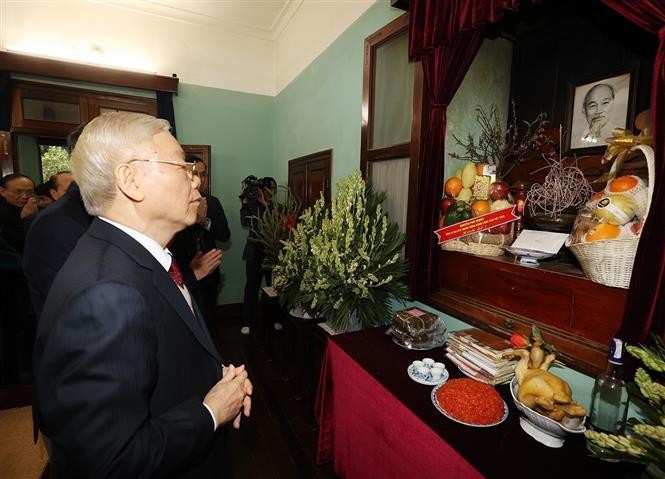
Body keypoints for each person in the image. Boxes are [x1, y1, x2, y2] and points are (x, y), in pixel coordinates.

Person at [34, 112, 252, 478]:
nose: (196, 180)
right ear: (131, 180)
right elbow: (111, 462)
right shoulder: (109, 294)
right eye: (182, 167)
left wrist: (214, 378)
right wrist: (211, 411)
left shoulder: (138, 255)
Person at [171, 156, 229, 347]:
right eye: (196, 173)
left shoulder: (213, 202)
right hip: (182, 273)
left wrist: (204, 221)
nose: (200, 179)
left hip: (210, 273)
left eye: (203, 174)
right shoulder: (173, 202)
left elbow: (224, 235)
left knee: (209, 321)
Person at [240, 176, 276, 335]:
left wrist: (264, 203)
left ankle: (274, 318)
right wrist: (245, 205)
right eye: (268, 189)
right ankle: (248, 320)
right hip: (254, 251)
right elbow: (244, 222)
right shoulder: (252, 203)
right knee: (251, 287)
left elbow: (277, 222)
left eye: (272, 189)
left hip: (271, 251)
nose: (270, 192)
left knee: (272, 287)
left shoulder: (276, 206)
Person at [0, 173, 37, 253]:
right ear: (2, 191)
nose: (24, 196)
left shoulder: (34, 208)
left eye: (29, 192)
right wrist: (27, 220)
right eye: (18, 192)